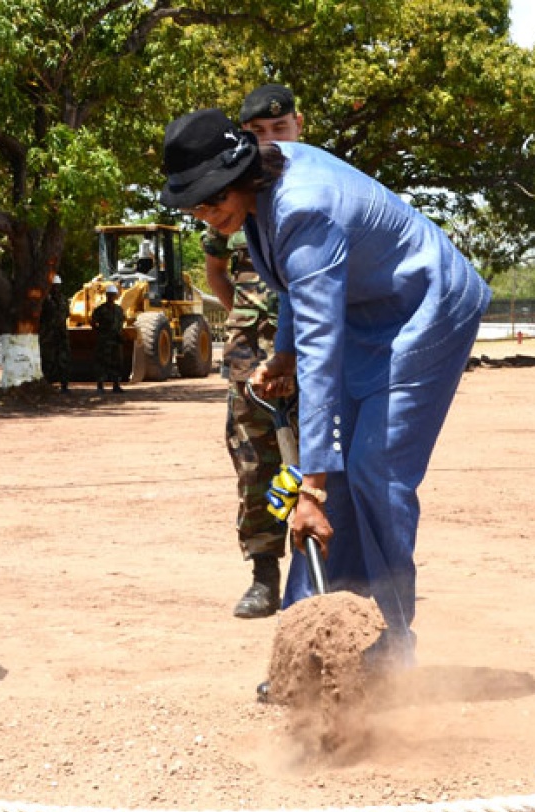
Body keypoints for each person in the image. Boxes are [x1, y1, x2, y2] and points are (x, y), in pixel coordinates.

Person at [160, 108, 491, 672]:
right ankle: (327, 646)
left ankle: (389, 649)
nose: (205, 213)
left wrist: (307, 490)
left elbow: (321, 352)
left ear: (240, 175)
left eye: (212, 199)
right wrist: (282, 353)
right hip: (368, 313)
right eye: (195, 205)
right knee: (337, 479)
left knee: (374, 471)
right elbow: (295, 286)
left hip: (425, 307)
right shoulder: (262, 202)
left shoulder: (303, 204)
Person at [202, 84, 305, 620]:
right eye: (258, 133)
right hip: (249, 357)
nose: (271, 139)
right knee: (255, 467)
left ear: (299, 125)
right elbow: (215, 267)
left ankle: (317, 575)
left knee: (321, 464)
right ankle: (265, 576)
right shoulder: (229, 196)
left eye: (279, 128)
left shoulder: (312, 189)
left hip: (309, 353)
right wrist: (247, 315)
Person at [39, 271, 73, 393]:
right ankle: (48, 384)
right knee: (48, 360)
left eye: (58, 286)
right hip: (48, 335)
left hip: (61, 335)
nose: (56, 288)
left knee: (64, 360)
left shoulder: (64, 300)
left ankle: (64, 385)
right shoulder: (44, 301)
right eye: (54, 286)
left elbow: (67, 315)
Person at [91, 283, 125, 394]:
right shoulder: (100, 309)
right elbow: (93, 322)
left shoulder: (119, 310)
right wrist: (99, 332)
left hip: (116, 340)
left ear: (116, 296)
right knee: (102, 362)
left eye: (113, 295)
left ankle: (116, 385)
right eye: (109, 295)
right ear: (106, 295)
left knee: (117, 363)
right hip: (104, 341)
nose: (111, 297)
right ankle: (100, 386)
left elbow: (122, 322)